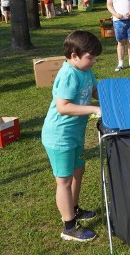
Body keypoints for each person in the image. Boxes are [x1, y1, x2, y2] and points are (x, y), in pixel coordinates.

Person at [41, 30, 102, 242]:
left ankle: (74, 209)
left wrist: (113, 95)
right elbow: (63, 107)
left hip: (74, 134)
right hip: (59, 136)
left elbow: (95, 90)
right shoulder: (69, 74)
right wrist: (95, 110)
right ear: (74, 55)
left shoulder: (85, 71)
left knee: (78, 171)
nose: (93, 61)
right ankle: (69, 227)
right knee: (64, 181)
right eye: (90, 57)